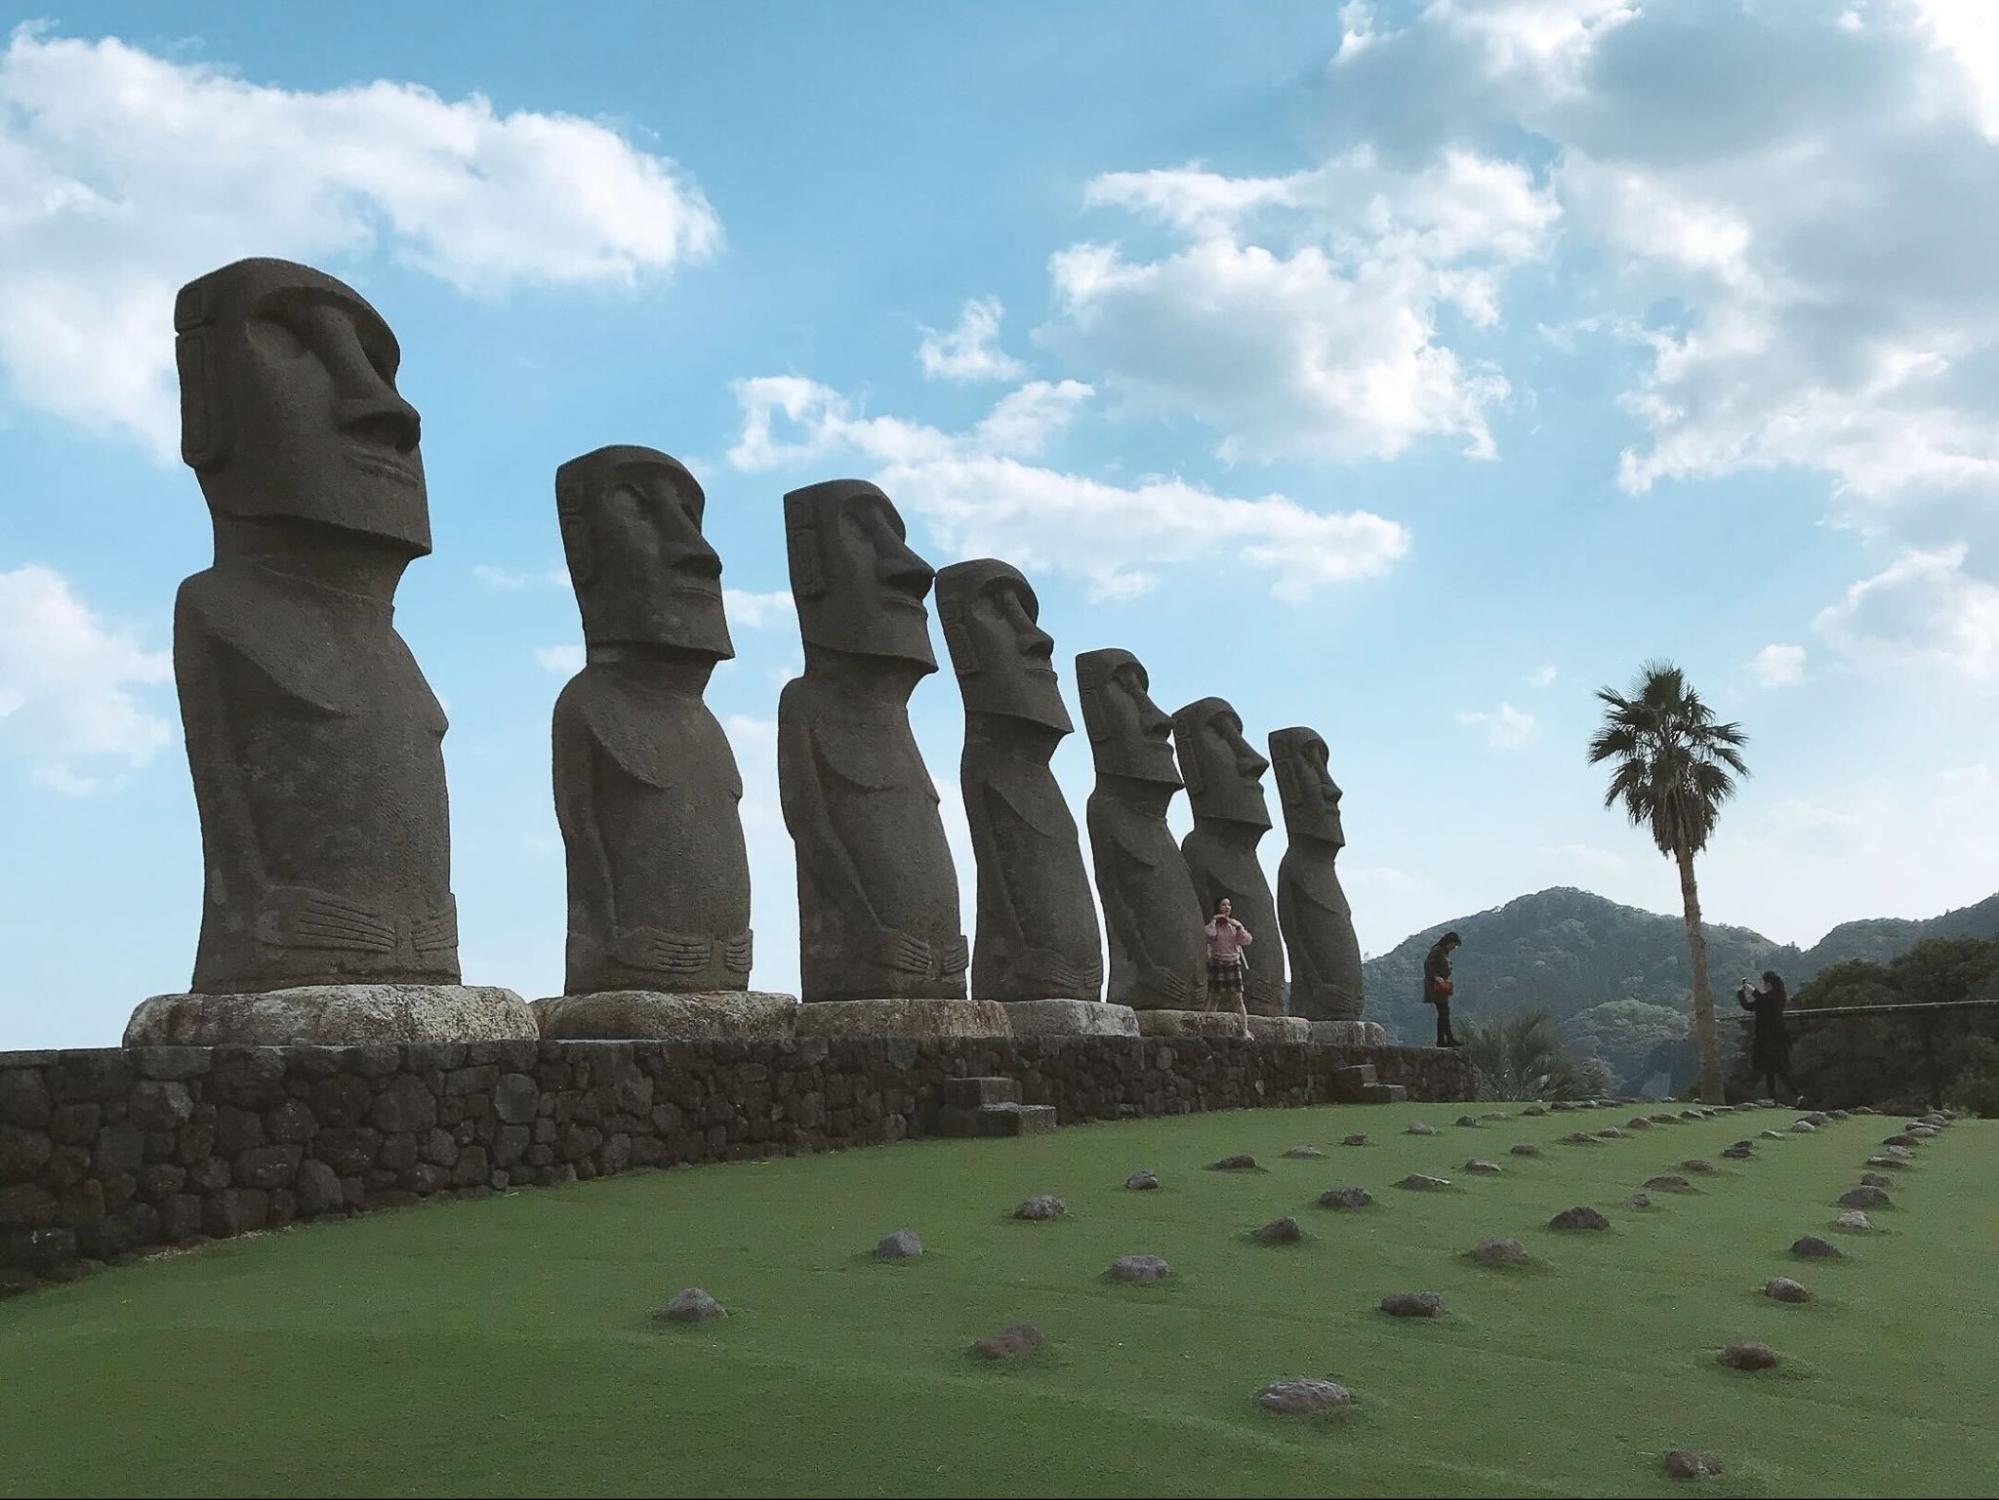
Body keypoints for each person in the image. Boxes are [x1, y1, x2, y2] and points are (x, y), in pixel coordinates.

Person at [1738, 970, 1799, 1105]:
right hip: (1766, 1039)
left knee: (1779, 1069)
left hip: (1775, 1039)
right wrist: (1742, 993)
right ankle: (1773, 1097)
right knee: (1770, 1069)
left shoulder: (1776, 997)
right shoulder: (1768, 998)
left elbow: (1764, 1000)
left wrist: (1752, 991)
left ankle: (1796, 1095)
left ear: (1769, 983)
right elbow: (1749, 1006)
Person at [1202, 897, 1252, 1020]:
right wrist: (1214, 920)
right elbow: (1209, 934)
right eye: (1223, 905)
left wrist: (1239, 927)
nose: (1227, 907)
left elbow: (1246, 940)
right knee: (1214, 997)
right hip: (1217, 963)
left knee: (1237, 998)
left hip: (1233, 963)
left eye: (1229, 905)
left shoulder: (1235, 925)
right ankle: (1208, 1027)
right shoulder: (1214, 926)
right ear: (1218, 907)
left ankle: (1243, 1030)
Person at [1423, 931, 1462, 1047]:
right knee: (1444, 1012)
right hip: (1436, 986)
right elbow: (1427, 964)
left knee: (1444, 1013)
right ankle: (1446, 1039)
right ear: (1448, 942)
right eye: (1453, 945)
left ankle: (1444, 1039)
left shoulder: (1444, 952)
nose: (1453, 948)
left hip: (1441, 986)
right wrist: (1436, 976)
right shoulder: (1437, 950)